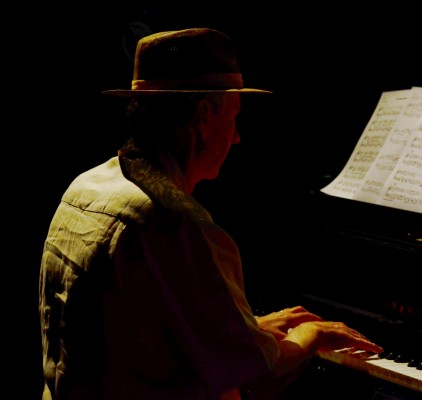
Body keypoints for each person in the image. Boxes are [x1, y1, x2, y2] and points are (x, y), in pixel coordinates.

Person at [38, 27, 383, 400]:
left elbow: (139, 336)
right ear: (203, 115)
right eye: (233, 119)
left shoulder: (86, 186)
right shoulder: (172, 223)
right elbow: (260, 376)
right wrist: (312, 333)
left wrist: (252, 330)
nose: (236, 137)